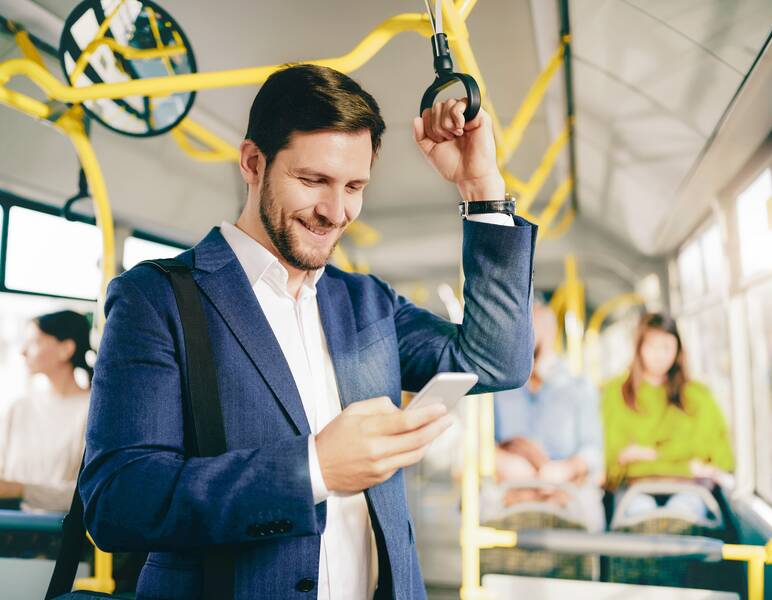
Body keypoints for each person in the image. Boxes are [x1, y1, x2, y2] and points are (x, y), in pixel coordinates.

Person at [81, 64, 537, 600]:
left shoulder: (367, 302)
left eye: (354, 186)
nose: (335, 211)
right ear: (254, 162)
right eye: (313, 180)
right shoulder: (156, 298)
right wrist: (313, 468)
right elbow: (120, 501)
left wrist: (481, 188)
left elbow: (496, 360)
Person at [602, 312, 734, 517]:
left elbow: (718, 456)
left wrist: (647, 455)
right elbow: (612, 460)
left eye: (667, 348)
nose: (659, 355)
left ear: (678, 350)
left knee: (683, 512)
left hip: (687, 488)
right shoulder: (615, 393)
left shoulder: (697, 396)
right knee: (641, 512)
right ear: (639, 348)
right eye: (652, 346)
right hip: (634, 489)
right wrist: (685, 463)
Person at [493, 300, 604, 531]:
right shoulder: (497, 389)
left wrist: (566, 469)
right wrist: (503, 462)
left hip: (563, 482)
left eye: (533, 327)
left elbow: (593, 451)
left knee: (586, 504)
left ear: (550, 332)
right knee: (486, 500)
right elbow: (480, 444)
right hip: (512, 483)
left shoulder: (578, 387)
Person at [0, 310, 92, 512]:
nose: (23, 351)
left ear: (66, 349)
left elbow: (87, 494)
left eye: (34, 342)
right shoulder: (19, 408)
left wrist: (19, 489)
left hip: (57, 536)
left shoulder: (91, 412)